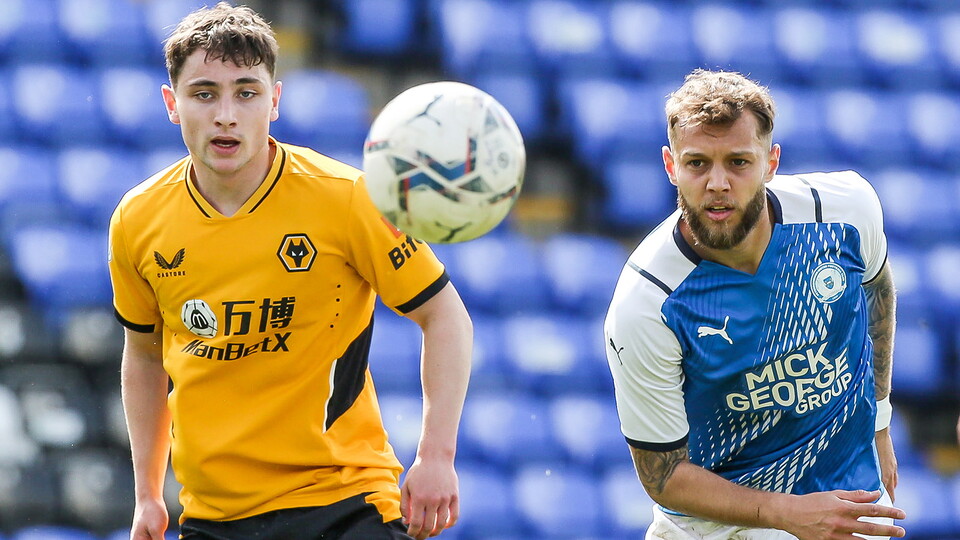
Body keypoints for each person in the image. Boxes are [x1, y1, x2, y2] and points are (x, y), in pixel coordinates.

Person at [108, 3, 472, 539]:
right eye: (204, 93)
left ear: (274, 100)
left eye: (247, 92)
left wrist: (436, 455)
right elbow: (143, 355)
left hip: (344, 502)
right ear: (172, 103)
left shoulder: (346, 198)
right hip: (214, 519)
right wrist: (146, 494)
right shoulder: (137, 221)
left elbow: (445, 316)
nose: (226, 114)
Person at [603, 69, 905, 540]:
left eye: (739, 162)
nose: (717, 183)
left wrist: (880, 421)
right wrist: (783, 514)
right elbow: (662, 475)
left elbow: (877, 293)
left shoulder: (845, 211)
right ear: (670, 165)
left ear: (771, 162)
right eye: (697, 163)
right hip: (715, 530)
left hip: (849, 508)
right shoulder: (647, 301)